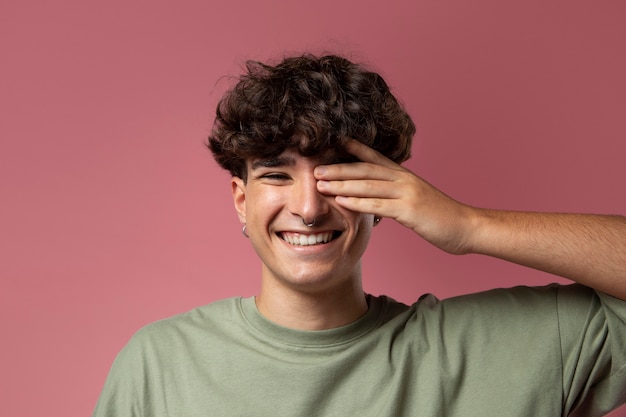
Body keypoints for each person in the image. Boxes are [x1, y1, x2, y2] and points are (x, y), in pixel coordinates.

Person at [93, 54, 626, 416]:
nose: (307, 207)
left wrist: (468, 225)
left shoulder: (492, 350)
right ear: (241, 199)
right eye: (277, 174)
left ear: (386, 197)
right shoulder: (161, 364)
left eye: (338, 176)